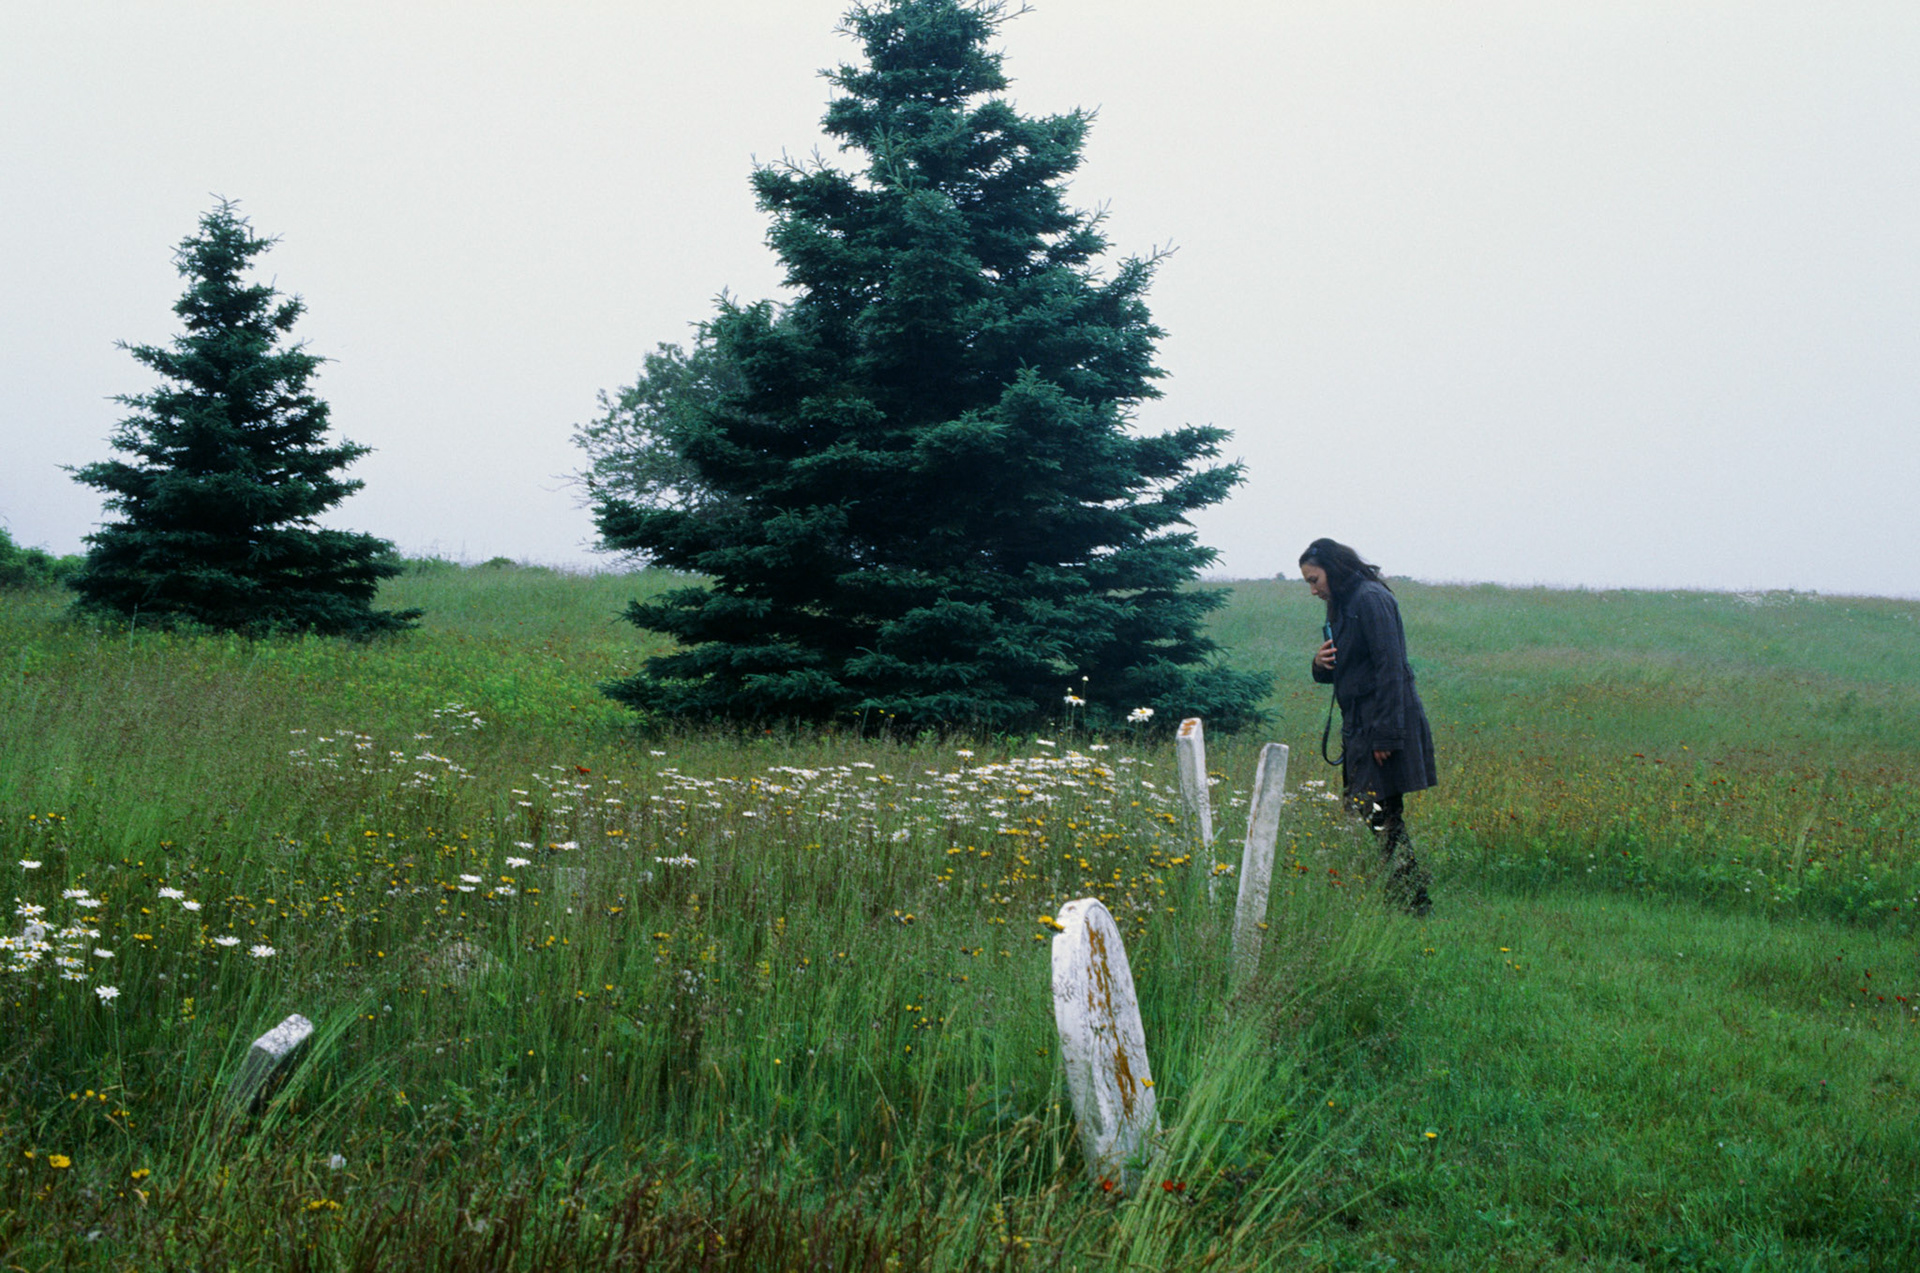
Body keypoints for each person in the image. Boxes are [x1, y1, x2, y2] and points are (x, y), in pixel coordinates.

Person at [1300, 538, 1435, 916]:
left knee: (1379, 808)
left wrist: (1387, 734)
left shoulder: (1371, 599)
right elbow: (1351, 667)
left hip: (1381, 721)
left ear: (1333, 567)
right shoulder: (1342, 602)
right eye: (1308, 583)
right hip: (1360, 723)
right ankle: (1407, 895)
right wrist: (1319, 663)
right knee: (1375, 809)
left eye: (1315, 579)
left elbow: (1391, 668)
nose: (1313, 590)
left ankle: (1412, 900)